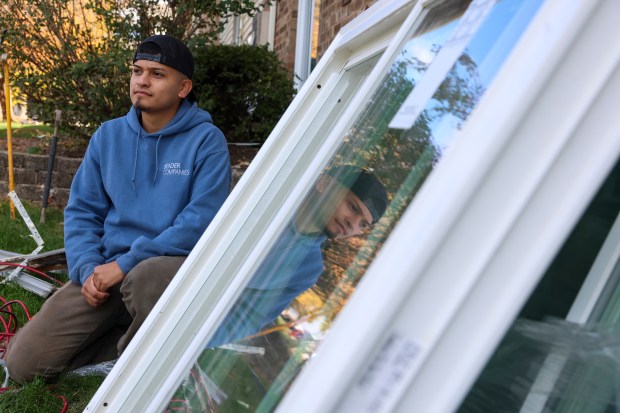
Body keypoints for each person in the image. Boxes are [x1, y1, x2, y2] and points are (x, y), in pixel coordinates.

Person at [5, 35, 231, 383]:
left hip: (163, 272)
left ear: (183, 87)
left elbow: (200, 222)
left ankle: (140, 360)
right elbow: (82, 211)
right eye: (138, 70)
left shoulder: (207, 141)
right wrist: (88, 269)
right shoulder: (108, 137)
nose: (142, 80)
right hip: (106, 272)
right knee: (23, 366)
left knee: (146, 276)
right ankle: (125, 339)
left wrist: (125, 265)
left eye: (157, 74)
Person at [207, 165, 388, 347]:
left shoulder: (307, 269)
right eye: (353, 207)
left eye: (362, 225)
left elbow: (243, 320)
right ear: (324, 183)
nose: (353, 225)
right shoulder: (264, 193)